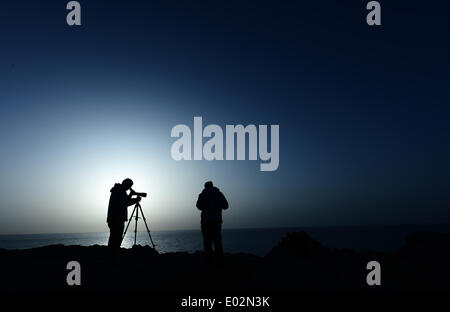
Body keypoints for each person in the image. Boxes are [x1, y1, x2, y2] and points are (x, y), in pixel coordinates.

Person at [196, 181, 229, 263]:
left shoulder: (202, 194)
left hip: (206, 222)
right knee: (218, 243)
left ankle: (209, 263)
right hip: (216, 222)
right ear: (212, 186)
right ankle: (220, 262)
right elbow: (226, 206)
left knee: (207, 243)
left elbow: (198, 206)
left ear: (205, 186)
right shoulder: (219, 194)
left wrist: (206, 206)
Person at [107, 178, 141, 253]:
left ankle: (112, 253)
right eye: (129, 186)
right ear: (126, 184)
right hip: (116, 219)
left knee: (115, 237)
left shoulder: (119, 190)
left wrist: (131, 196)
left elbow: (124, 202)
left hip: (115, 218)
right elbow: (124, 203)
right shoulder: (119, 191)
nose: (129, 188)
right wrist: (135, 199)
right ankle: (112, 255)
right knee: (115, 238)